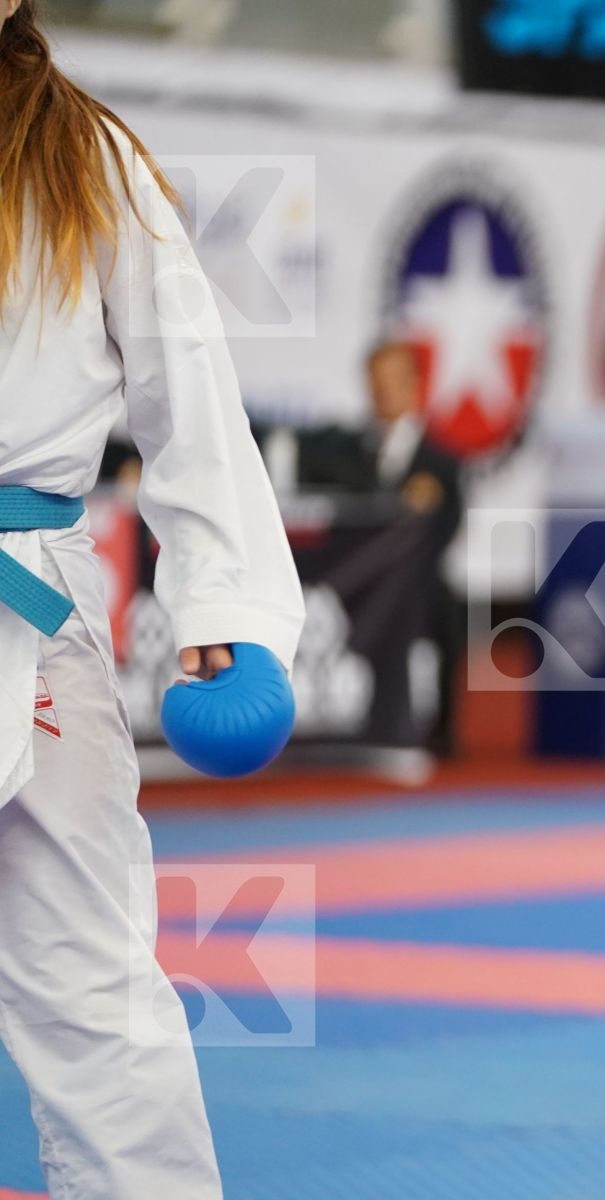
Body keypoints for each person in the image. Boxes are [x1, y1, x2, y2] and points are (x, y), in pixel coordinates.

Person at [0, 2, 304, 1195]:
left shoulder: (85, 157)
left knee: (89, 979)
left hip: (24, 607)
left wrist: (223, 602)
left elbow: (191, 386)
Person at [300, 341, 465, 751]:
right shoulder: (344, 452)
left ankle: (437, 728)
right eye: (377, 382)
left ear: (415, 384)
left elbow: (451, 525)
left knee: (447, 609)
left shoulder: (441, 459)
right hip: (356, 579)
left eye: (394, 380)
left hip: (418, 580)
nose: (385, 391)